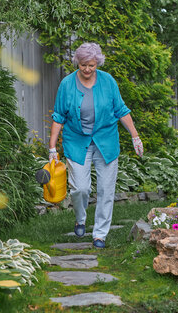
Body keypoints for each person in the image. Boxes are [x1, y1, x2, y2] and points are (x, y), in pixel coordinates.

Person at [48, 42, 143, 248]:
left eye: (91, 65)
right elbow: (58, 116)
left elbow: (121, 110)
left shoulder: (108, 82)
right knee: (80, 188)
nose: (87, 69)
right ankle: (80, 218)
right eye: (83, 65)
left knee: (106, 189)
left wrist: (135, 136)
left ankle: (100, 234)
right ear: (77, 64)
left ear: (97, 63)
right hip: (76, 141)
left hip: (105, 141)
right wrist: (52, 148)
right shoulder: (67, 84)